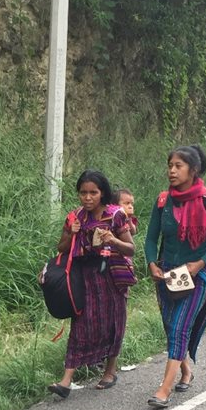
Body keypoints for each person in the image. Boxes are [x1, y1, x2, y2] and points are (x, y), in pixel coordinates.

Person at [144, 145, 206, 409]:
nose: (172, 171)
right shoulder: (163, 201)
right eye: (169, 165)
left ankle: (164, 389)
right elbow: (151, 238)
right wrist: (152, 263)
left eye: (178, 166)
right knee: (171, 326)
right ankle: (186, 371)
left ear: (193, 170)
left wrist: (200, 263)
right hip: (168, 274)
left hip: (196, 274)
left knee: (180, 326)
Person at [46, 170, 135, 397]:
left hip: (111, 276)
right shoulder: (75, 217)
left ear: (102, 193)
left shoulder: (116, 216)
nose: (87, 198)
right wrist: (71, 233)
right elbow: (61, 247)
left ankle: (110, 371)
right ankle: (66, 381)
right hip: (85, 277)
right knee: (80, 324)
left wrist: (112, 240)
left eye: (93, 193)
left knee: (113, 322)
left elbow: (130, 248)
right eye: (83, 193)